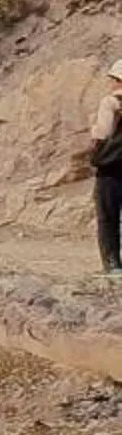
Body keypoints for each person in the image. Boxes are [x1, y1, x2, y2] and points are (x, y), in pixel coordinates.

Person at [93, 60, 122, 274]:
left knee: (108, 217)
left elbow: (103, 133)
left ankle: (112, 264)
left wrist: (93, 132)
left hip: (112, 166)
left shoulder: (111, 102)